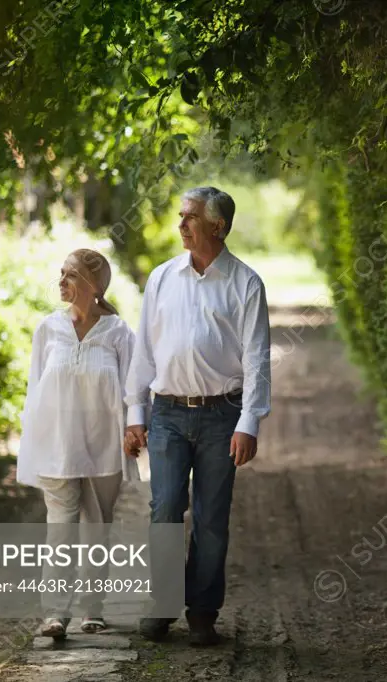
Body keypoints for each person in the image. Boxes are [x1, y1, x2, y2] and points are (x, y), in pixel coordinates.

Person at [123, 186, 271, 646]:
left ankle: (203, 611)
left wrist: (249, 421)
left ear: (218, 226)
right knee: (165, 507)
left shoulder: (246, 283)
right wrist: (135, 411)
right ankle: (162, 604)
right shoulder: (163, 277)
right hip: (166, 412)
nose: (181, 224)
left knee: (211, 517)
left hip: (221, 416)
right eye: (181, 215)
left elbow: (257, 358)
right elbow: (144, 350)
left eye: (190, 217)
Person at [17, 248, 141, 639]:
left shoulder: (119, 332)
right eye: (61, 274)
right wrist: (31, 438)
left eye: (70, 275)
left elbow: (134, 390)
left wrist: (136, 427)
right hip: (56, 444)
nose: (61, 282)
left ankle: (93, 608)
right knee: (60, 528)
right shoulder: (48, 329)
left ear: (93, 285)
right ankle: (55, 612)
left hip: (105, 447)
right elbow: (34, 390)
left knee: (97, 528)